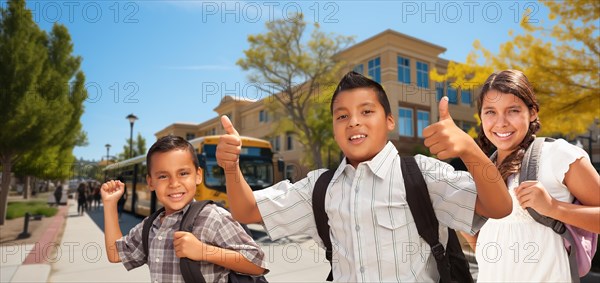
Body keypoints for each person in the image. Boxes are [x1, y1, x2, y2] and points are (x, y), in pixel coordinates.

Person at [216, 71, 512, 282]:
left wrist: (470, 151)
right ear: (334, 128)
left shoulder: (423, 173)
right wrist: (231, 168)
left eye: (366, 111)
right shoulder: (319, 187)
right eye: (342, 115)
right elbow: (245, 210)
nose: (353, 121)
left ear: (389, 120)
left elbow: (499, 207)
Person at [458, 69, 600, 282]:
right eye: (490, 112)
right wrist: (465, 226)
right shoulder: (482, 173)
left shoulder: (558, 155)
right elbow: (488, 248)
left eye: (513, 110)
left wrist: (553, 207)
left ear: (532, 112)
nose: (501, 122)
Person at [101, 135, 267, 283]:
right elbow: (116, 254)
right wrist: (109, 205)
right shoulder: (150, 226)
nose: (174, 184)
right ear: (151, 182)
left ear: (198, 176)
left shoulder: (212, 217)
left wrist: (204, 251)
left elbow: (257, 263)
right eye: (163, 176)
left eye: (183, 173)